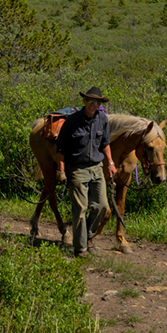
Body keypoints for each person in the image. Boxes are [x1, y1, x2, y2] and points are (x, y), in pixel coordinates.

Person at [55, 86, 117, 257]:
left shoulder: (102, 119)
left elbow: (105, 143)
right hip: (76, 169)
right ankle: (80, 248)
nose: (92, 104)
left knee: (102, 206)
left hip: (96, 168)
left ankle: (86, 237)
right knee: (80, 209)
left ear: (99, 104)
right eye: (90, 101)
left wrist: (110, 162)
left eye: (96, 102)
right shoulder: (72, 122)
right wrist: (61, 170)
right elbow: (61, 149)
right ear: (84, 101)